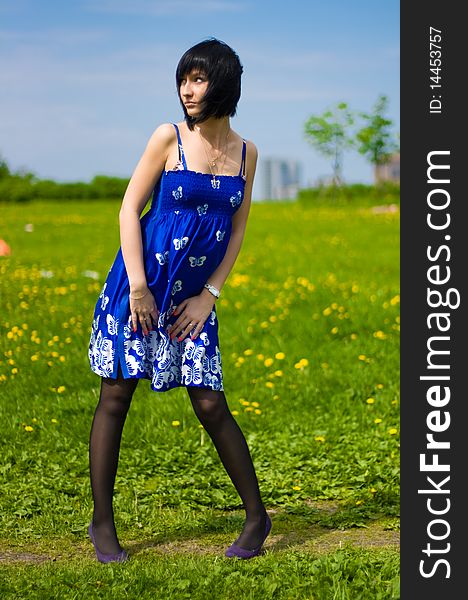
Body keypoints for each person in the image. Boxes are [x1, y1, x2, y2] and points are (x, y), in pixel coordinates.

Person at [87, 37, 272, 563]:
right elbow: (129, 208)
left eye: (199, 79)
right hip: (139, 288)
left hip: (193, 299)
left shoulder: (246, 152)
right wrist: (140, 287)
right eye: (184, 79)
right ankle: (102, 524)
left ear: (224, 84)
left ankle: (257, 518)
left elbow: (237, 231)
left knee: (211, 403)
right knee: (116, 396)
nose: (187, 90)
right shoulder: (168, 137)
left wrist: (210, 296)